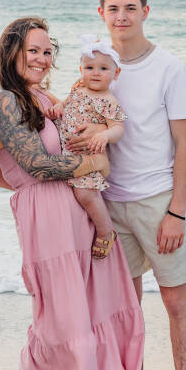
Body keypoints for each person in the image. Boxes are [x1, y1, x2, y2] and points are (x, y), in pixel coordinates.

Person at [0, 17, 144, 370]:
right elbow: (36, 165)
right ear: (12, 53)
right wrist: (94, 163)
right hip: (46, 216)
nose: (42, 59)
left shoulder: (44, 96)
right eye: (33, 51)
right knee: (58, 320)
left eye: (47, 51)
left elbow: (74, 142)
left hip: (75, 210)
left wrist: (96, 140)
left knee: (87, 312)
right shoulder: (5, 100)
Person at [78, 0, 186, 370]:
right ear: (101, 13)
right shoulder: (97, 66)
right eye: (113, 8)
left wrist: (176, 212)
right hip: (111, 204)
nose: (122, 16)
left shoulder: (168, 67)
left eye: (130, 8)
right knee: (126, 308)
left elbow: (184, 144)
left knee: (175, 302)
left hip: (157, 201)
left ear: (145, 11)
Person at [43, 34, 127, 259]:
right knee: (71, 198)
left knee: (86, 195)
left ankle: (106, 231)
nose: (95, 73)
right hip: (68, 154)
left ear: (116, 73)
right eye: (89, 67)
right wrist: (59, 107)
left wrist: (105, 135)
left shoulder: (108, 101)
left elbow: (118, 128)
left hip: (87, 155)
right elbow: (67, 103)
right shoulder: (79, 88)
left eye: (103, 68)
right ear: (81, 69)